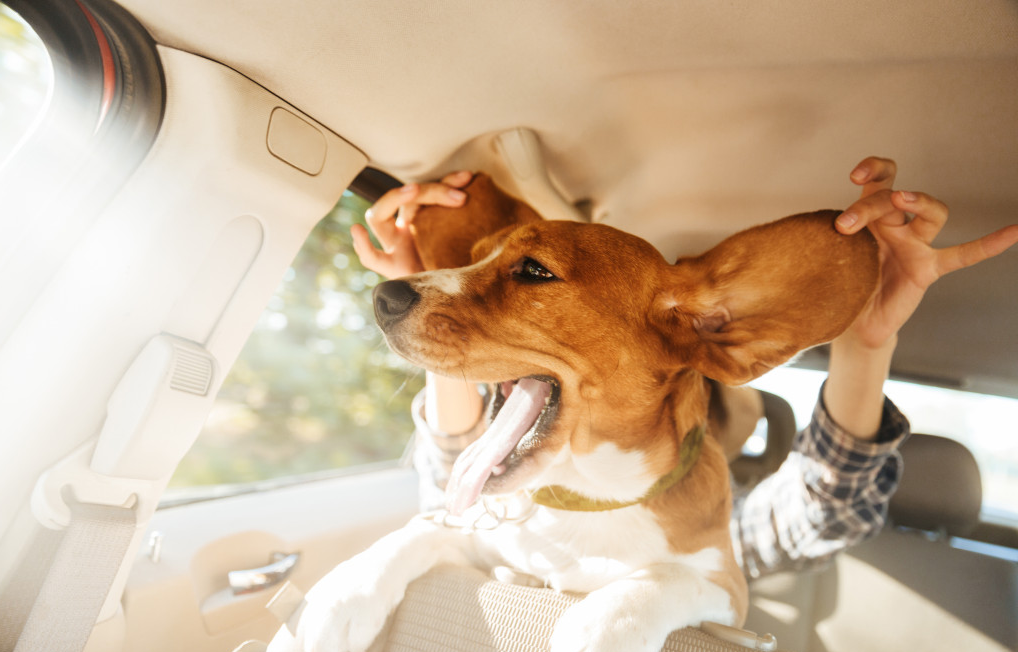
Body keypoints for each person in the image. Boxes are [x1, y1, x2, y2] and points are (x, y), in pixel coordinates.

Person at [349, 158, 1018, 580]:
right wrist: (430, 312)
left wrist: (866, 341)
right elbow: (451, 475)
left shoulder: (711, 529)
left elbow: (821, 512)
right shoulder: (520, 463)